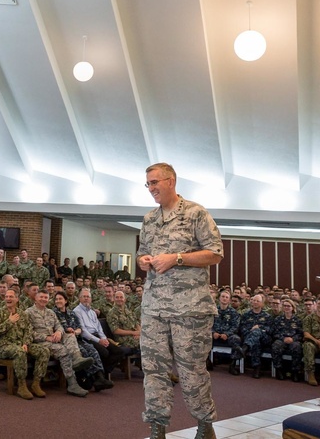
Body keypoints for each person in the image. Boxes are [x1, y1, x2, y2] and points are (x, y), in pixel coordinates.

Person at [137, 162, 223, 439]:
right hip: (154, 307)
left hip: (190, 309)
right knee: (153, 370)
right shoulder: (149, 219)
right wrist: (143, 261)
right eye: (148, 184)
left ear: (171, 181)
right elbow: (142, 252)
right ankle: (157, 427)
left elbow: (215, 253)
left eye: (154, 182)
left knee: (191, 370)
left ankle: (204, 425)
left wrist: (177, 258)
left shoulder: (196, 213)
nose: (151, 188)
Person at [26, 289, 92, 396]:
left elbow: (59, 325)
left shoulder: (50, 312)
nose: (43, 299)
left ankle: (77, 358)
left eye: (46, 297)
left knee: (70, 335)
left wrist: (58, 332)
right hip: (39, 343)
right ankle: (72, 384)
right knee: (63, 351)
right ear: (36, 298)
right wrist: (46, 337)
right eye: (41, 297)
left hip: (54, 339)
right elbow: (29, 333)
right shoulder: (28, 312)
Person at [0, 289, 51, 400]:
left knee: (44, 351)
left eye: (11, 297)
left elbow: (29, 331)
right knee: (20, 352)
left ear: (17, 299)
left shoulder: (23, 314)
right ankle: (21, 385)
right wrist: (9, 322)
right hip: (4, 345)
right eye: (7, 297)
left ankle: (36, 383)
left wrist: (26, 343)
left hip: (21, 344)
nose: (8, 299)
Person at [74, 288, 129, 378]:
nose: (86, 298)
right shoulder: (77, 311)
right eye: (84, 296)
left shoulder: (92, 312)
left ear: (91, 299)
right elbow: (83, 332)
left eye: (88, 297)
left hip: (98, 337)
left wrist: (103, 338)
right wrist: (99, 341)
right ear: (80, 298)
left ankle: (104, 371)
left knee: (119, 352)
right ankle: (101, 375)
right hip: (87, 338)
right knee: (104, 352)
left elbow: (99, 328)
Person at [270, 297, 303, 381]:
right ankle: (279, 370)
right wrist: (283, 338)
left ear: (293, 307)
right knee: (276, 346)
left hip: (294, 340)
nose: (286, 308)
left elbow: (300, 333)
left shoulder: (298, 320)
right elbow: (274, 332)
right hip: (281, 339)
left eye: (288, 306)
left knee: (297, 347)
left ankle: (295, 372)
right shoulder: (278, 319)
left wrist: (293, 339)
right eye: (284, 306)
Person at [302, 298, 320, 386]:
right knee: (308, 346)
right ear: (315, 305)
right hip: (313, 342)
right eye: (318, 303)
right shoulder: (309, 318)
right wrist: (317, 341)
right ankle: (311, 373)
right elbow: (306, 334)